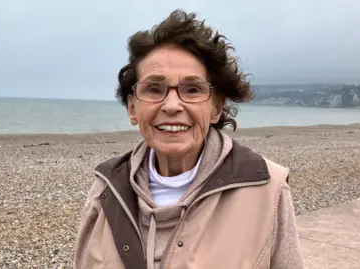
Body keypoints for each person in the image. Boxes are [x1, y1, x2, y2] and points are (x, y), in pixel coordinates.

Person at [74, 9, 305, 269]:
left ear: (216, 108)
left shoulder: (267, 188)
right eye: (154, 88)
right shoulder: (106, 188)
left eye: (192, 89)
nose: (172, 105)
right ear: (132, 108)